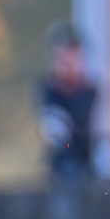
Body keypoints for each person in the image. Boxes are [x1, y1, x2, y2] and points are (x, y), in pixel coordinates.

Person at [41, 20, 97, 181]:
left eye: (73, 57)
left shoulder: (92, 93)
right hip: (59, 172)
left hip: (89, 170)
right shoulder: (49, 93)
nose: (69, 64)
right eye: (63, 58)